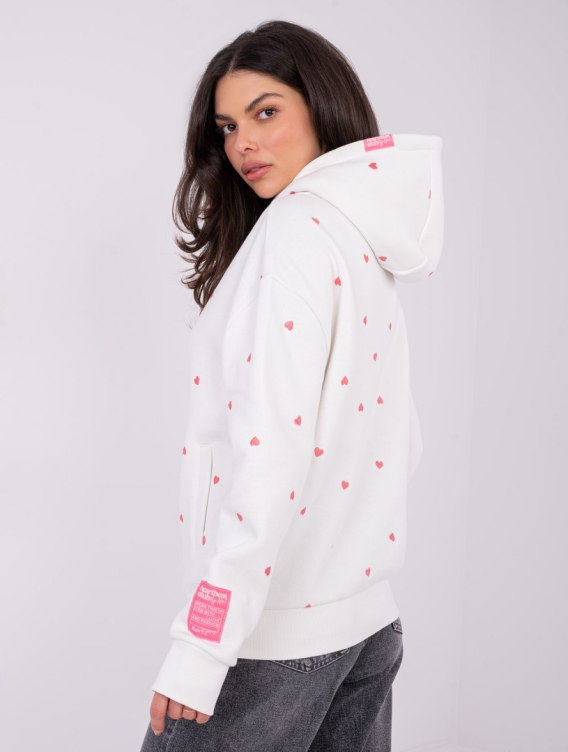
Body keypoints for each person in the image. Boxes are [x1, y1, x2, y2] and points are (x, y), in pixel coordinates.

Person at [139, 18, 444, 752]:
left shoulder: (296, 236)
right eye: (227, 127)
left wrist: (202, 644)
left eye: (266, 112)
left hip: (272, 641)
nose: (243, 143)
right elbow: (399, 439)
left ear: (322, 106)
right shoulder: (356, 232)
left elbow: (268, 456)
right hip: (366, 627)